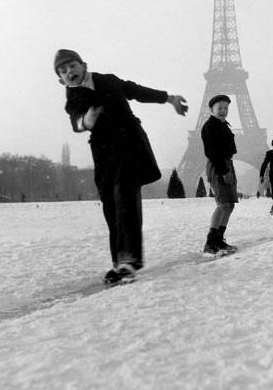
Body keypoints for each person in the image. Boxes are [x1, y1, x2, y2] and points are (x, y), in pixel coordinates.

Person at [55, 49, 188, 284]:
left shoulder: (109, 80)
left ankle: (129, 260)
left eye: (72, 66)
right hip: (104, 153)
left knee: (124, 195)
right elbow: (74, 119)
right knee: (110, 204)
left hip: (129, 145)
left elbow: (136, 91)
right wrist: (85, 121)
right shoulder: (72, 98)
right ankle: (120, 262)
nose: (69, 72)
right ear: (60, 80)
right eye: (63, 71)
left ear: (84, 65)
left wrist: (169, 98)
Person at [201, 94, 238, 254]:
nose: (223, 111)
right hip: (218, 166)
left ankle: (219, 239)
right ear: (212, 109)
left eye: (226, 108)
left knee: (229, 205)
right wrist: (224, 171)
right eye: (220, 108)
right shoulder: (210, 126)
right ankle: (210, 243)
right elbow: (211, 152)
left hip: (227, 164)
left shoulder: (223, 125)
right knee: (223, 204)